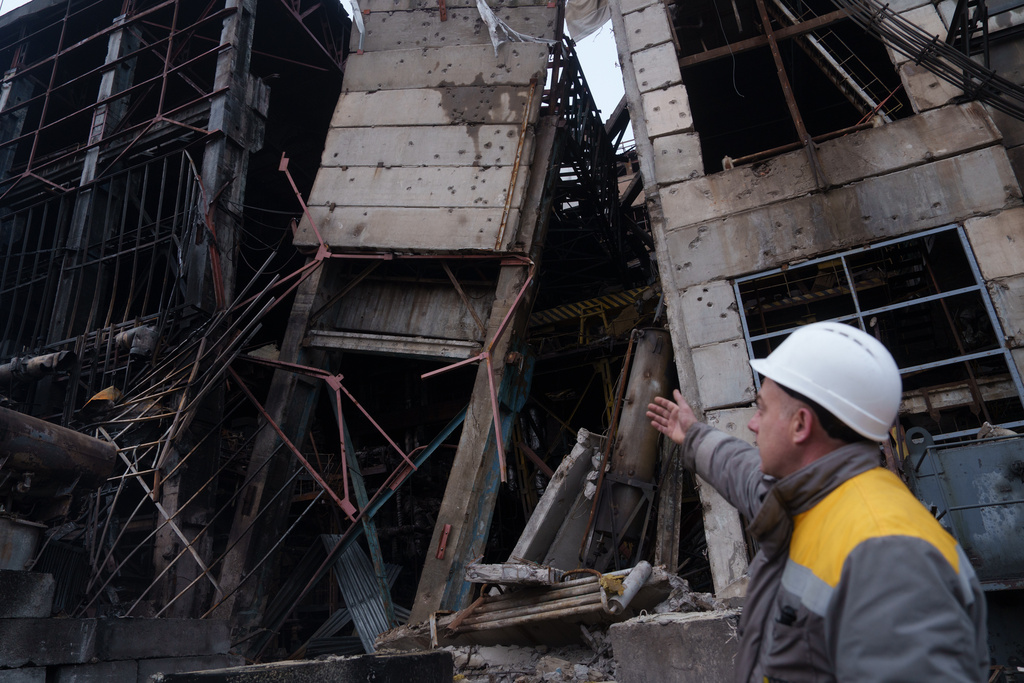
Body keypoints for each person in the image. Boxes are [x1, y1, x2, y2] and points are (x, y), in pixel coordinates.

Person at [646, 321, 988, 683]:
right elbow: (742, 472)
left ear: (800, 425)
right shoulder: (810, 499)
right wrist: (694, 435)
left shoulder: (887, 556)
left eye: (761, 409)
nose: (753, 425)